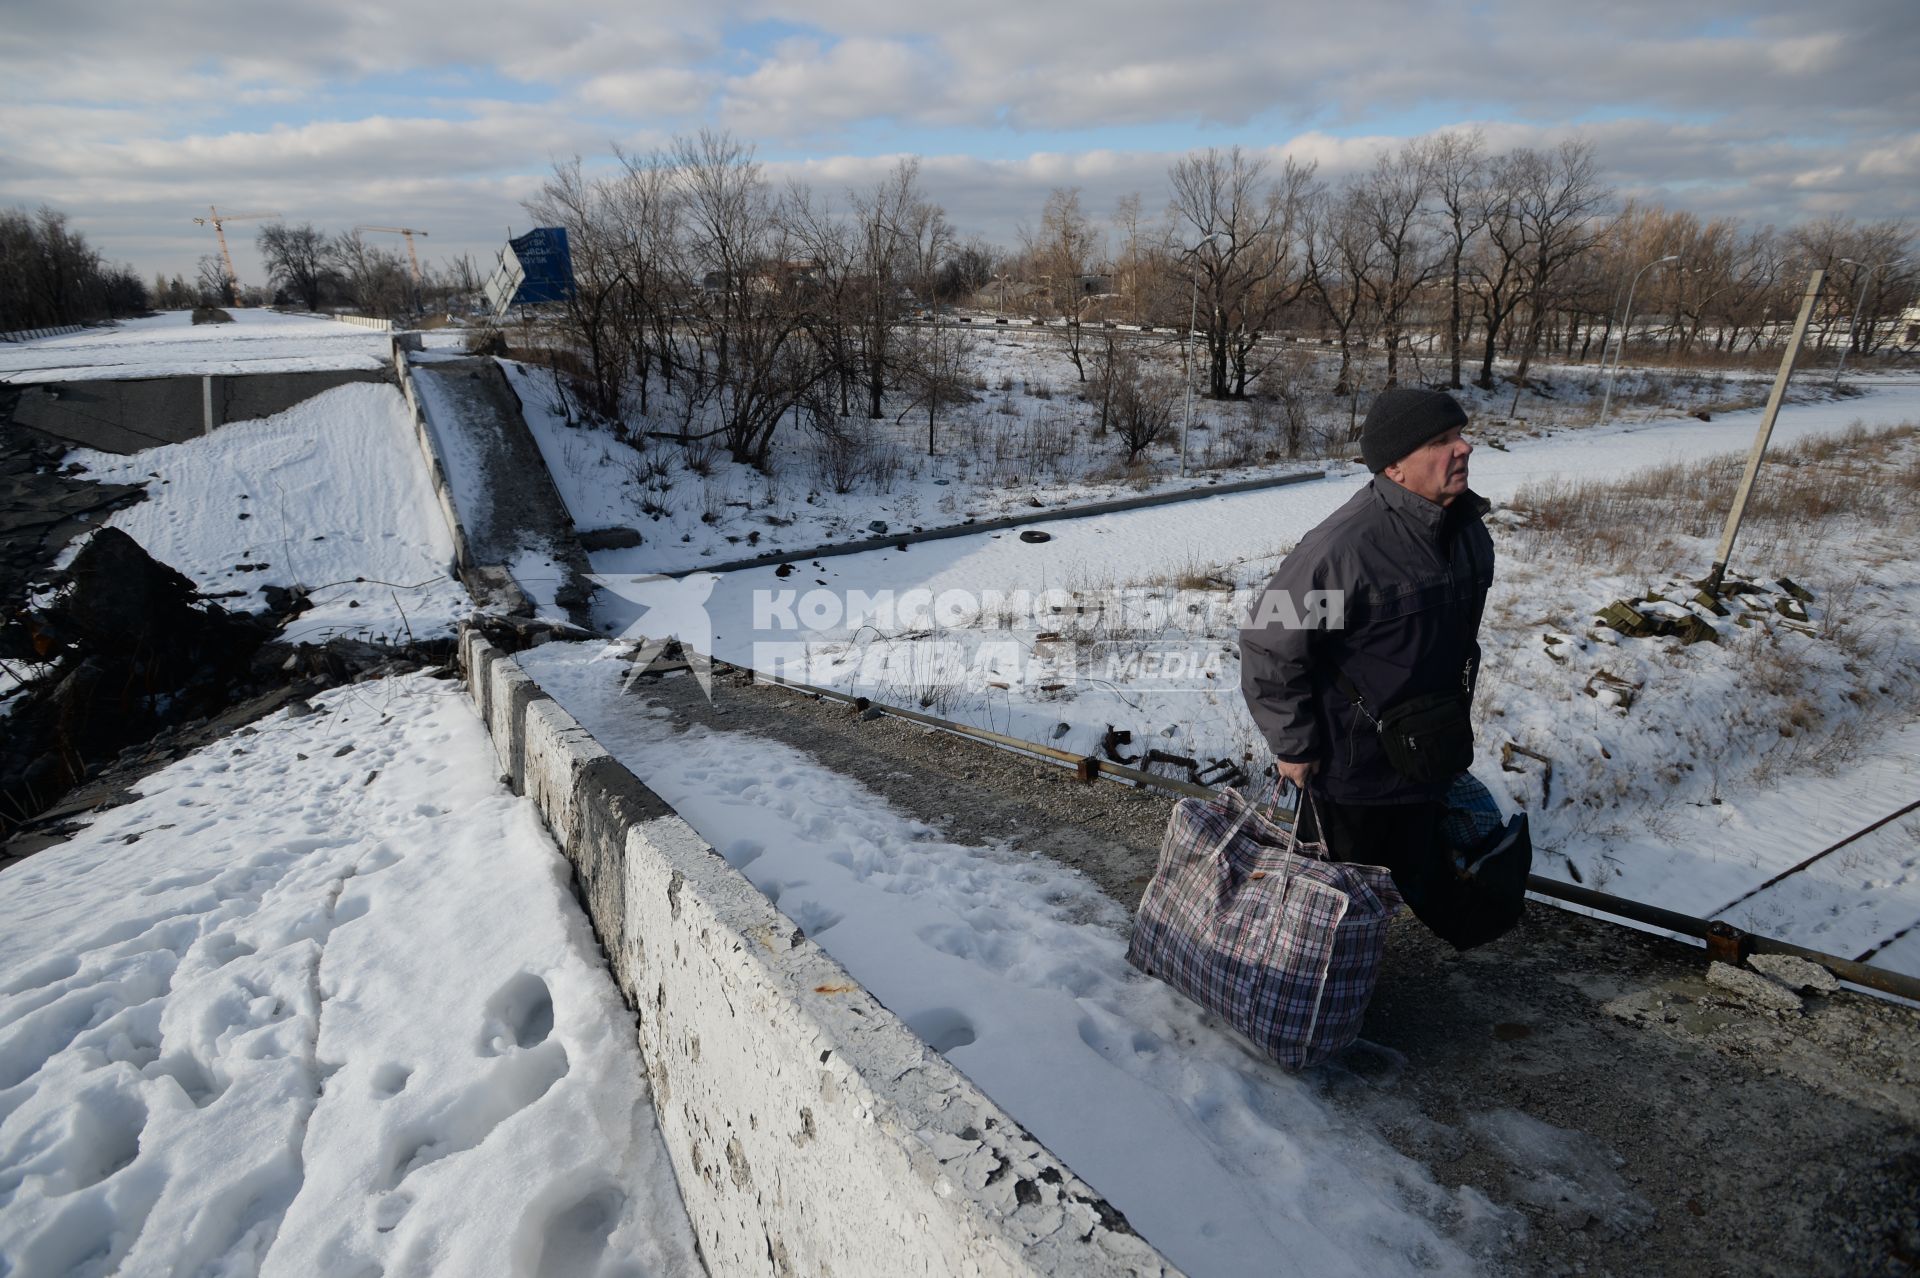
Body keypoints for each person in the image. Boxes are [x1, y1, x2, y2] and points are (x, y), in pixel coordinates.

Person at [1239, 387, 1493, 884]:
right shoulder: (1342, 551)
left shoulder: (1465, 528)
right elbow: (1269, 642)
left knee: (1437, 890)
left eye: (1460, 434)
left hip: (1429, 752)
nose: (1463, 448)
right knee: (1335, 903)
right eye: (1441, 440)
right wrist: (1293, 745)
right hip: (1352, 774)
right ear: (1394, 467)